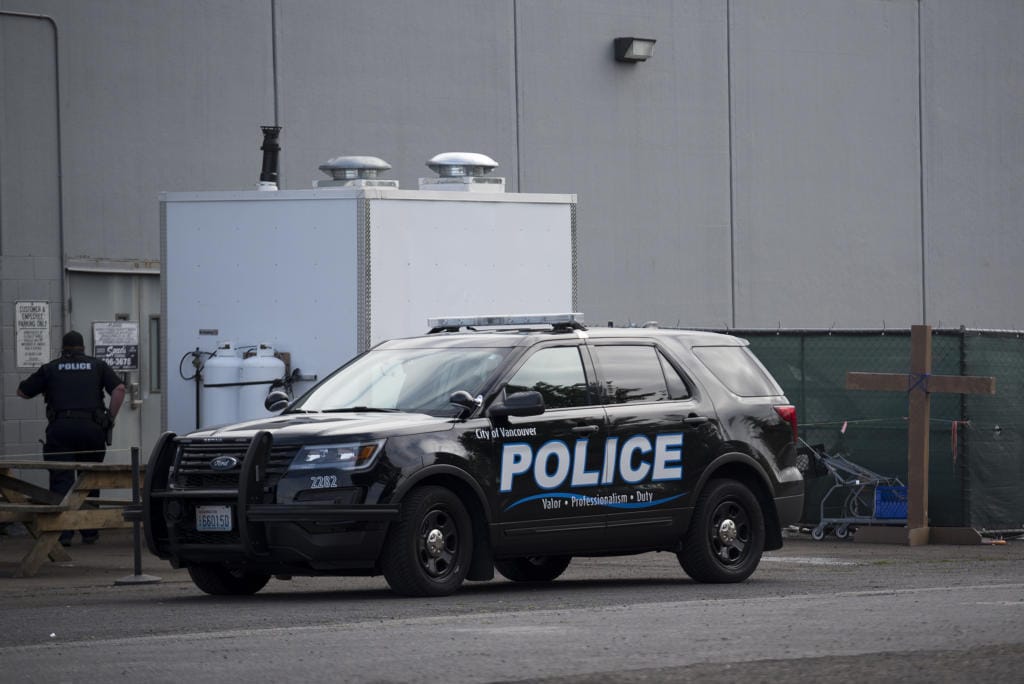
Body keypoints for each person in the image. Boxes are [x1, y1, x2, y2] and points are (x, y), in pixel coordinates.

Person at [17, 330, 126, 546]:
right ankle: (89, 532)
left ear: (63, 348)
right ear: (83, 348)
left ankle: (62, 534)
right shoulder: (98, 366)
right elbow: (120, 389)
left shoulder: (51, 367)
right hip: (92, 429)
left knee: (61, 481)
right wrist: (110, 419)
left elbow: (22, 392)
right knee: (90, 479)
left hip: (61, 430)